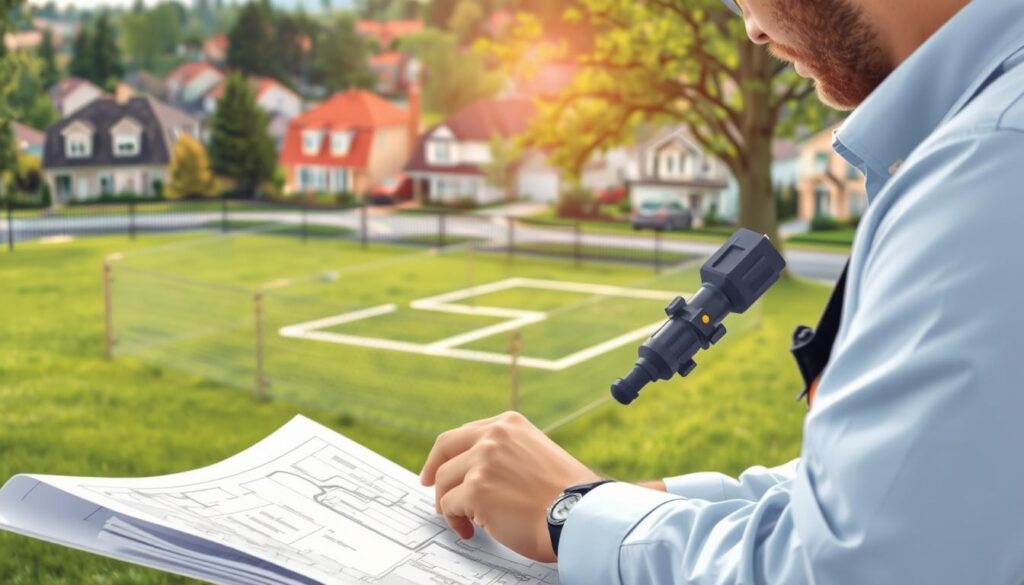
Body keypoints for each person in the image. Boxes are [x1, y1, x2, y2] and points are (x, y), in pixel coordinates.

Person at [420, 0, 1024, 581]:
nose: (752, 29)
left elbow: (854, 568)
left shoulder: (991, 161)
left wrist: (572, 512)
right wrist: (630, 503)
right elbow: (906, 495)